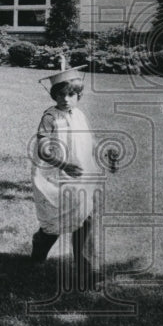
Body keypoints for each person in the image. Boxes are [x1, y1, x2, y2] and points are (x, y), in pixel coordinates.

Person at [30, 67, 107, 287]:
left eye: (70, 95)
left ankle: (88, 272)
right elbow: (44, 150)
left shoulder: (79, 114)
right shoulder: (49, 117)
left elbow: (89, 140)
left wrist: (103, 150)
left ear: (78, 96)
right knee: (56, 222)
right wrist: (64, 165)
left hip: (80, 175)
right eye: (60, 94)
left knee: (85, 218)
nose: (65, 99)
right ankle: (40, 245)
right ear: (53, 95)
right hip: (54, 177)